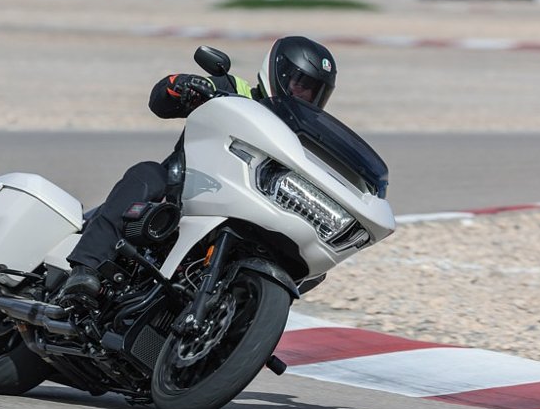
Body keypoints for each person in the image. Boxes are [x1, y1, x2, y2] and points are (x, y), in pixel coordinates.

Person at [60, 36, 338, 301]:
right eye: (301, 85)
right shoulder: (232, 88)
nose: (305, 97)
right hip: (186, 188)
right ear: (279, 74)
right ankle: (86, 268)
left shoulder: (299, 137)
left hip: (250, 208)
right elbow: (160, 100)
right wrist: (180, 86)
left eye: (314, 93)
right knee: (145, 174)